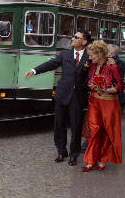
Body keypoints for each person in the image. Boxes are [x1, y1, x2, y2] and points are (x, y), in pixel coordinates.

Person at [25, 29, 91, 166]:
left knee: (76, 127)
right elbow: (51, 64)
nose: (72, 38)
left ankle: (74, 154)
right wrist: (34, 70)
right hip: (62, 95)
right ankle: (61, 152)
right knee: (59, 124)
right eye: (72, 36)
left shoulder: (89, 57)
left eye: (76, 37)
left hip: (78, 97)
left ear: (84, 41)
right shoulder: (65, 54)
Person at [82, 41, 123, 171]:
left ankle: (103, 159)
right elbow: (89, 80)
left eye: (92, 55)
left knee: (106, 131)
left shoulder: (113, 67)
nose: (90, 57)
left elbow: (120, 86)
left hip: (109, 103)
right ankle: (90, 160)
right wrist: (91, 85)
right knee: (94, 129)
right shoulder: (92, 66)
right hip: (94, 101)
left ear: (99, 54)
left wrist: (108, 90)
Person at [107, 44, 125, 110]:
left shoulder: (119, 63)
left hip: (115, 94)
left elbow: (118, 80)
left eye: (105, 50)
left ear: (111, 53)